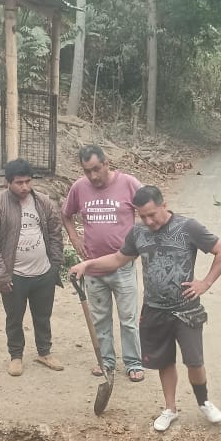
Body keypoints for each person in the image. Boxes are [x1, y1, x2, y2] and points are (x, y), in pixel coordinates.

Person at [69, 186, 221, 432]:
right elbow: (118, 259)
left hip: (186, 310)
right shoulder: (138, 233)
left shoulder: (188, 228)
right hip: (154, 310)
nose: (148, 221)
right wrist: (88, 264)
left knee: (194, 360)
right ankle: (170, 409)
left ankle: (204, 402)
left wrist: (205, 283)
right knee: (164, 362)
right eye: (142, 216)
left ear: (164, 205)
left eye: (152, 214)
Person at [62, 145, 145, 382]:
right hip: (93, 267)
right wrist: (74, 238)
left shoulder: (129, 183)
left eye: (96, 169)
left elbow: (151, 209)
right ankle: (106, 361)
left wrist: (140, 242)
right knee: (100, 318)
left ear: (107, 163)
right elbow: (66, 214)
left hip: (123, 266)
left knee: (128, 319)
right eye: (87, 171)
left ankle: (133, 362)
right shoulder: (79, 187)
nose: (93, 176)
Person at [0, 158, 65, 376]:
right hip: (14, 276)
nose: (25, 187)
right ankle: (16, 356)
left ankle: (44, 352)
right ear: (8, 182)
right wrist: (1, 274)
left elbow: (56, 233)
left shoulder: (43, 202)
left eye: (28, 181)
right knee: (14, 318)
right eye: (19, 182)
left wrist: (54, 266)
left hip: (43, 272)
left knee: (43, 316)